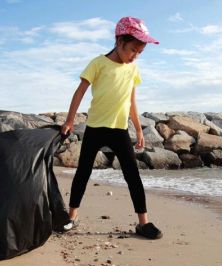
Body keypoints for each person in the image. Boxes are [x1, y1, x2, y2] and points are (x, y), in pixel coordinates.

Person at [61, 16, 162, 239]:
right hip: (95, 128)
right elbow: (80, 92)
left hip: (119, 129)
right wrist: (69, 121)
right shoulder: (98, 63)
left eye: (139, 52)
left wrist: (137, 128)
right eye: (133, 50)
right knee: (83, 172)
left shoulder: (133, 69)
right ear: (119, 41)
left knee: (132, 175)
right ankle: (71, 217)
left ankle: (143, 223)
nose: (135, 55)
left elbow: (132, 101)